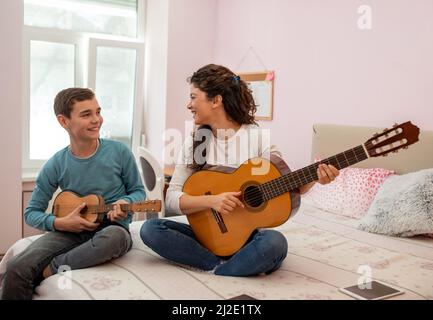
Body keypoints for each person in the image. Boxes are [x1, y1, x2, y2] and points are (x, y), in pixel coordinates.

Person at [140, 64, 339, 276]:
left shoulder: (256, 138)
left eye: (193, 97)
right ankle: (222, 267)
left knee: (275, 242)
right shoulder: (195, 142)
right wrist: (213, 201)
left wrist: (315, 178)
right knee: (150, 229)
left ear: (216, 100)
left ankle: (218, 267)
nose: (189, 105)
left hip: (245, 238)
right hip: (205, 235)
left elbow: (286, 187)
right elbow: (171, 198)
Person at [1, 88, 145, 300]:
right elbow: (31, 212)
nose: (97, 120)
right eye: (86, 114)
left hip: (112, 229)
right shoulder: (56, 164)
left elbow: (138, 191)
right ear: (64, 121)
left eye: (98, 112)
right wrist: (61, 223)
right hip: (67, 232)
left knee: (114, 237)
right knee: (15, 267)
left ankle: (51, 269)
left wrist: (126, 201)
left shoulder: (119, 152)